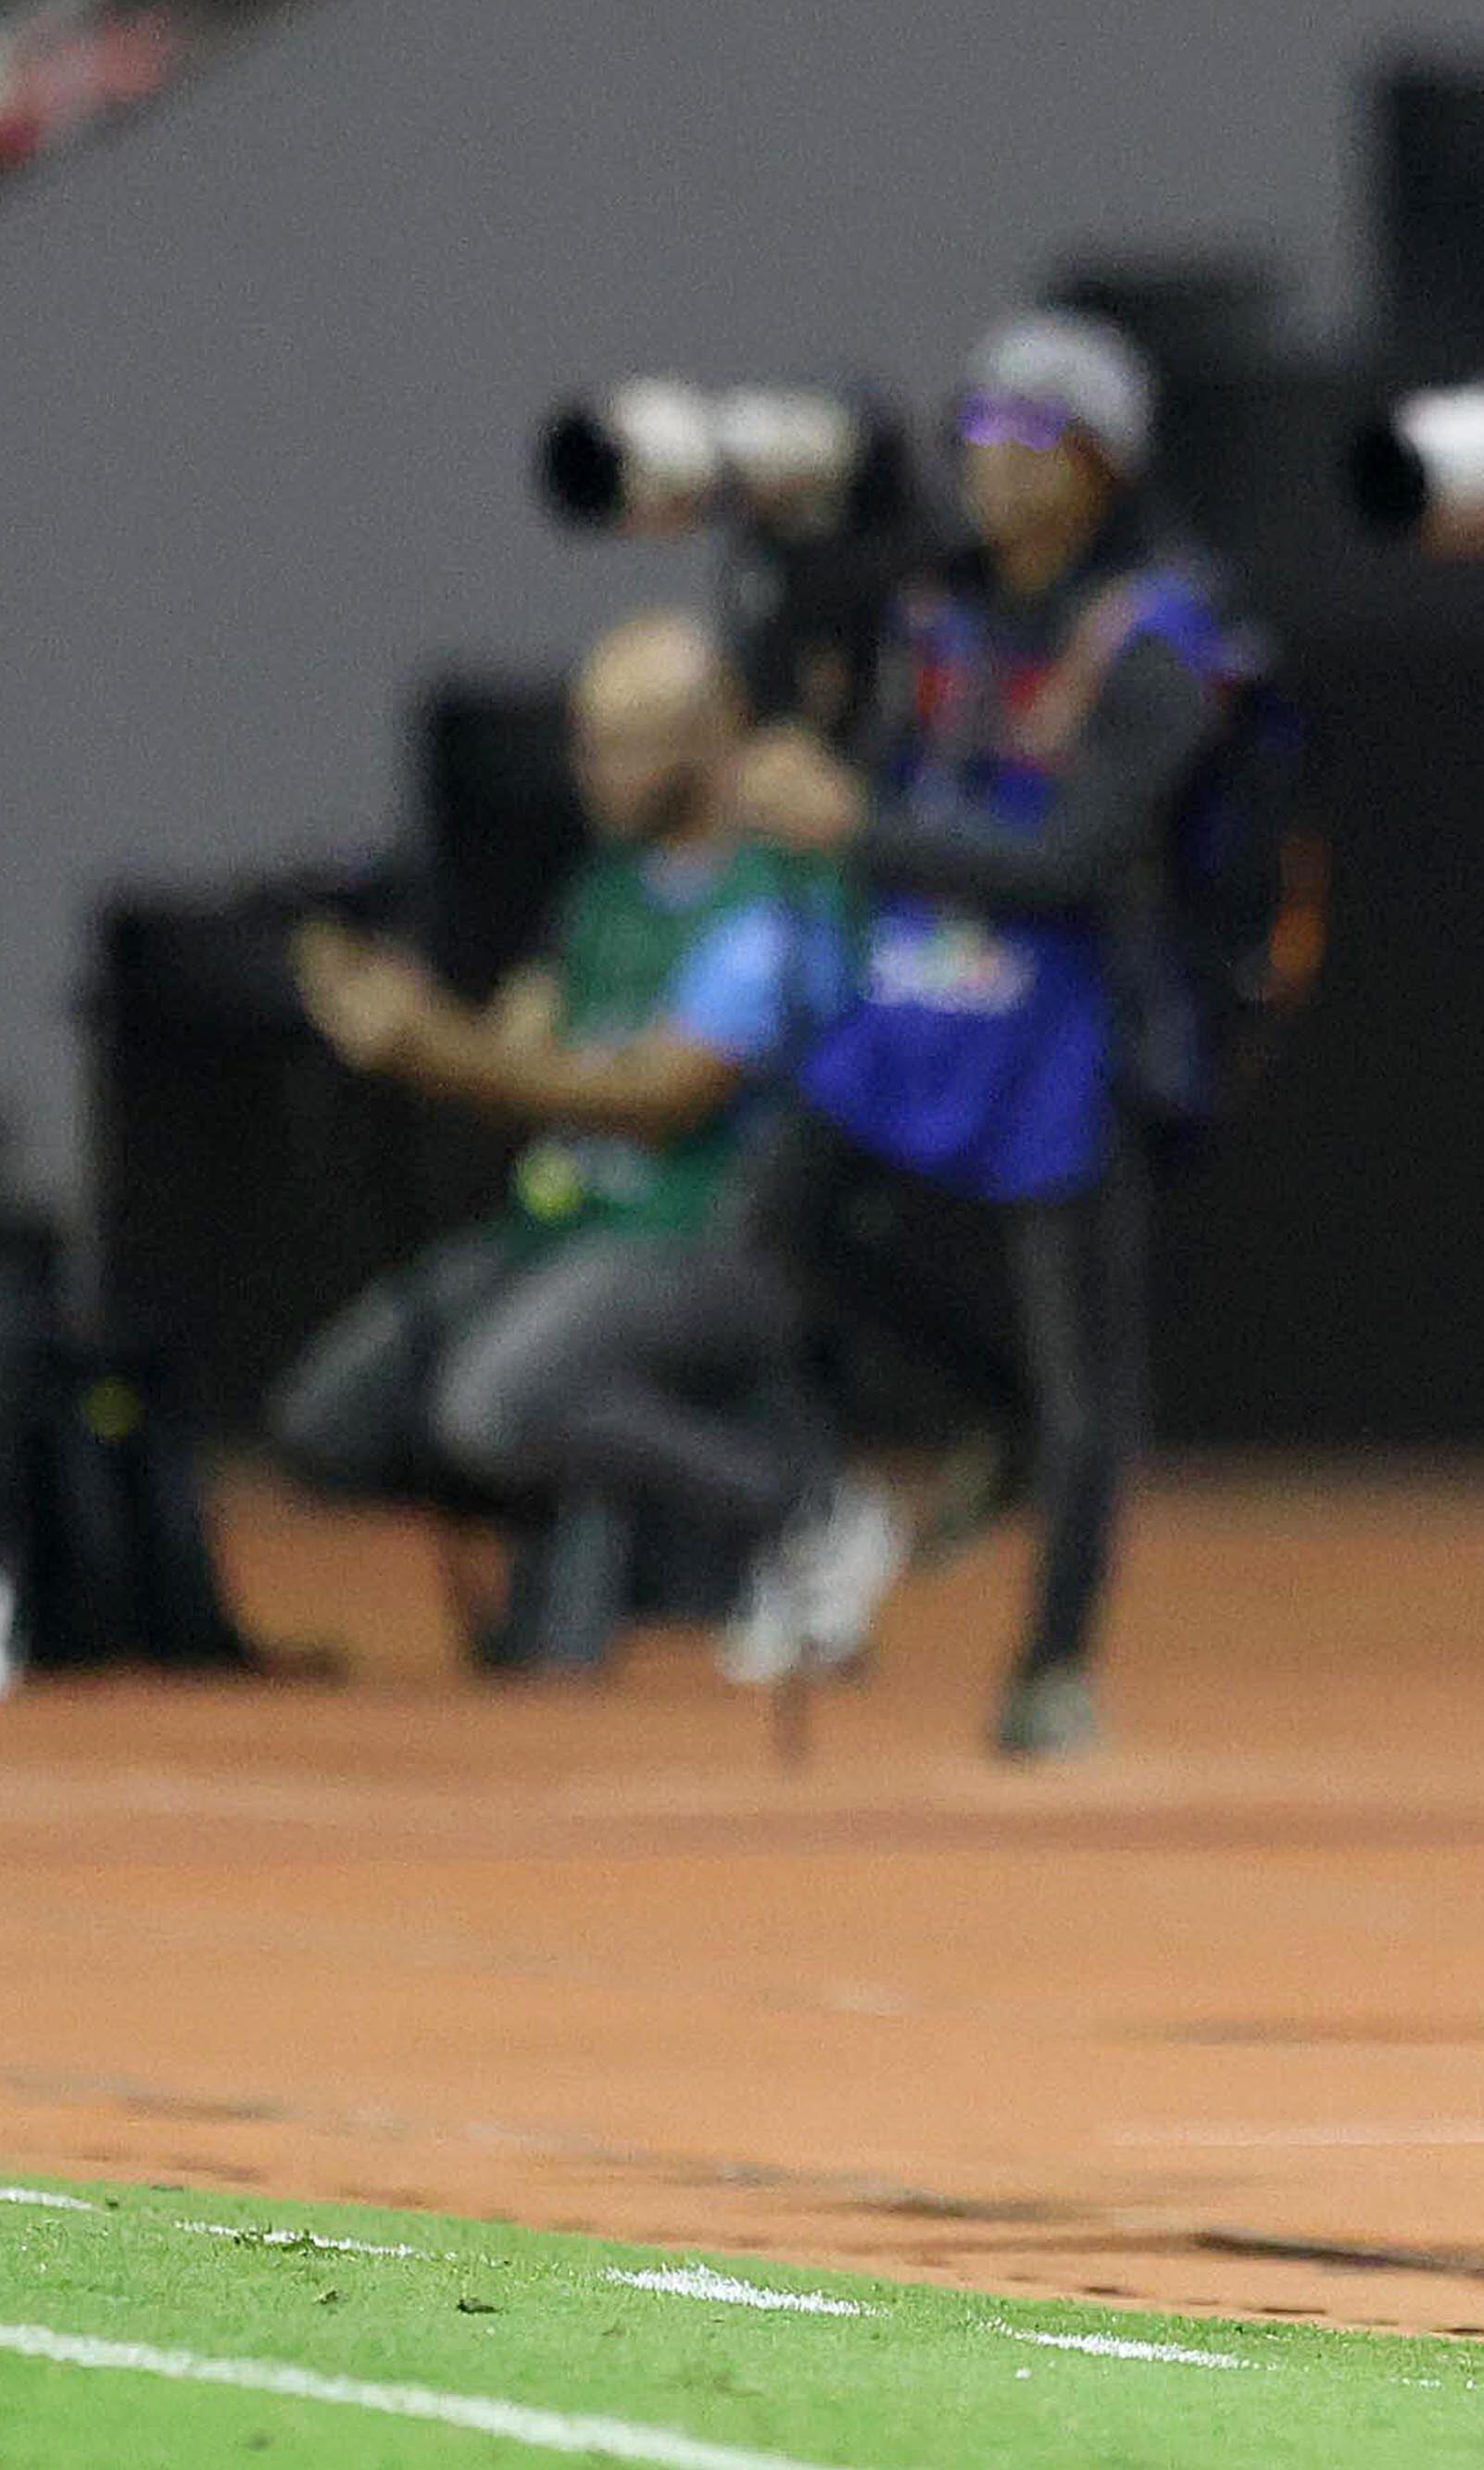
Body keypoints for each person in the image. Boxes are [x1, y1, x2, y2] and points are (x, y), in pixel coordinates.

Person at [720, 309, 1239, 1760]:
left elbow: (1077, 858)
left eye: (1033, 438)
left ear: (1103, 462)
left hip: (1073, 1018)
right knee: (781, 1221)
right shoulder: (933, 614)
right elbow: (836, 710)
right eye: (979, 434)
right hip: (916, 987)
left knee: (1093, 1366)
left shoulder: (1157, 643)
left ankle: (1054, 1661)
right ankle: (977, 1403)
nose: (996, 466)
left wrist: (860, 828)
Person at [275, 611, 883, 1678]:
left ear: (710, 740)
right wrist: (415, 1028)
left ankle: (802, 1510)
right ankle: (578, 1530)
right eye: (586, 739)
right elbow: (521, 1054)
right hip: (562, 1231)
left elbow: (660, 1097)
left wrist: (451, 1055)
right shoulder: (600, 894)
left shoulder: (777, 903)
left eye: (621, 741)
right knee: (330, 1422)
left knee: (494, 1407)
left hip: (708, 1238)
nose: (588, 769)